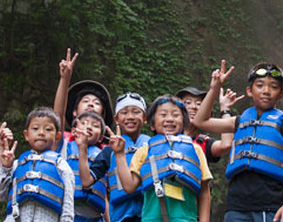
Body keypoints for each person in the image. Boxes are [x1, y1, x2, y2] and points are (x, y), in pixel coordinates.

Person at [192, 61, 283, 222]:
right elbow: (200, 121)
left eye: (273, 86)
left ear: (281, 94)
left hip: (270, 204)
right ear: (249, 91)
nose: (266, 91)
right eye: (260, 85)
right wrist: (215, 88)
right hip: (236, 204)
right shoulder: (238, 121)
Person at [112, 95, 213, 222]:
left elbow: (204, 191)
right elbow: (129, 186)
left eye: (176, 115)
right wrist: (119, 154)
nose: (170, 119)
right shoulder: (144, 151)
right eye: (163, 115)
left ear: (184, 122)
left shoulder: (195, 150)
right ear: (152, 125)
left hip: (186, 219)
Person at [78, 92, 151, 222]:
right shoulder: (109, 150)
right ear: (116, 119)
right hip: (120, 217)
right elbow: (86, 181)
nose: (130, 117)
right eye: (124, 112)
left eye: (136, 112)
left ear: (145, 118)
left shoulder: (153, 146)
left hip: (150, 214)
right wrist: (83, 148)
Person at [0, 107, 75, 222]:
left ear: (57, 136)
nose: (41, 133)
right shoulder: (16, 164)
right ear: (26, 135)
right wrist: (6, 168)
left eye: (48, 129)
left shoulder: (62, 166)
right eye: (35, 128)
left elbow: (68, 208)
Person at [52, 49, 115, 148]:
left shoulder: (108, 149)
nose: (91, 104)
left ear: (102, 116)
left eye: (97, 103)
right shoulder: (64, 140)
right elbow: (58, 114)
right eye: (85, 101)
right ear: (74, 112)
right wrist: (65, 79)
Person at [66, 111, 109, 222]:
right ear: (73, 131)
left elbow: (104, 196)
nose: (89, 127)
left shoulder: (103, 156)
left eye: (95, 126)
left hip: (95, 216)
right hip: (68, 213)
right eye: (84, 123)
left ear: (100, 138)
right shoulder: (65, 148)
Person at [175, 87, 233, 162]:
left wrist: (225, 109)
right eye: (188, 103)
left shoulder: (203, 143)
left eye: (199, 104)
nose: (193, 107)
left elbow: (226, 145)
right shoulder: (166, 136)